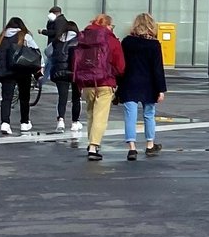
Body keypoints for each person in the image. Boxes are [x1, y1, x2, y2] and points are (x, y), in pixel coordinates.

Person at [71, 14, 125, 161]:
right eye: (111, 26)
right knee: (100, 116)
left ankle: (91, 143)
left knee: (90, 114)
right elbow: (120, 65)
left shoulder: (84, 38)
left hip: (86, 82)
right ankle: (94, 146)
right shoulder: (111, 39)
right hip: (105, 81)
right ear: (107, 25)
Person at [118, 13, 167, 162]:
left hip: (129, 82)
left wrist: (118, 84)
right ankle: (150, 144)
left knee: (130, 116)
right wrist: (161, 89)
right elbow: (158, 69)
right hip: (149, 84)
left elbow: (121, 65)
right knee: (149, 115)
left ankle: (132, 148)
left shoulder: (127, 42)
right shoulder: (154, 44)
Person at [0, 16, 41, 136]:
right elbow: (36, 50)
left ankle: (5, 123)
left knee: (6, 98)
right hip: (22, 71)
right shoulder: (24, 36)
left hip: (6, 72)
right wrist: (40, 67)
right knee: (24, 97)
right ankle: (24, 123)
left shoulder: (1, 37)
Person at [47, 12, 82, 134]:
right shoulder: (79, 41)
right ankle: (75, 122)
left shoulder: (57, 40)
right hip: (75, 72)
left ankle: (60, 121)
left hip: (59, 72)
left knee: (62, 97)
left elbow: (47, 52)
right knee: (76, 98)